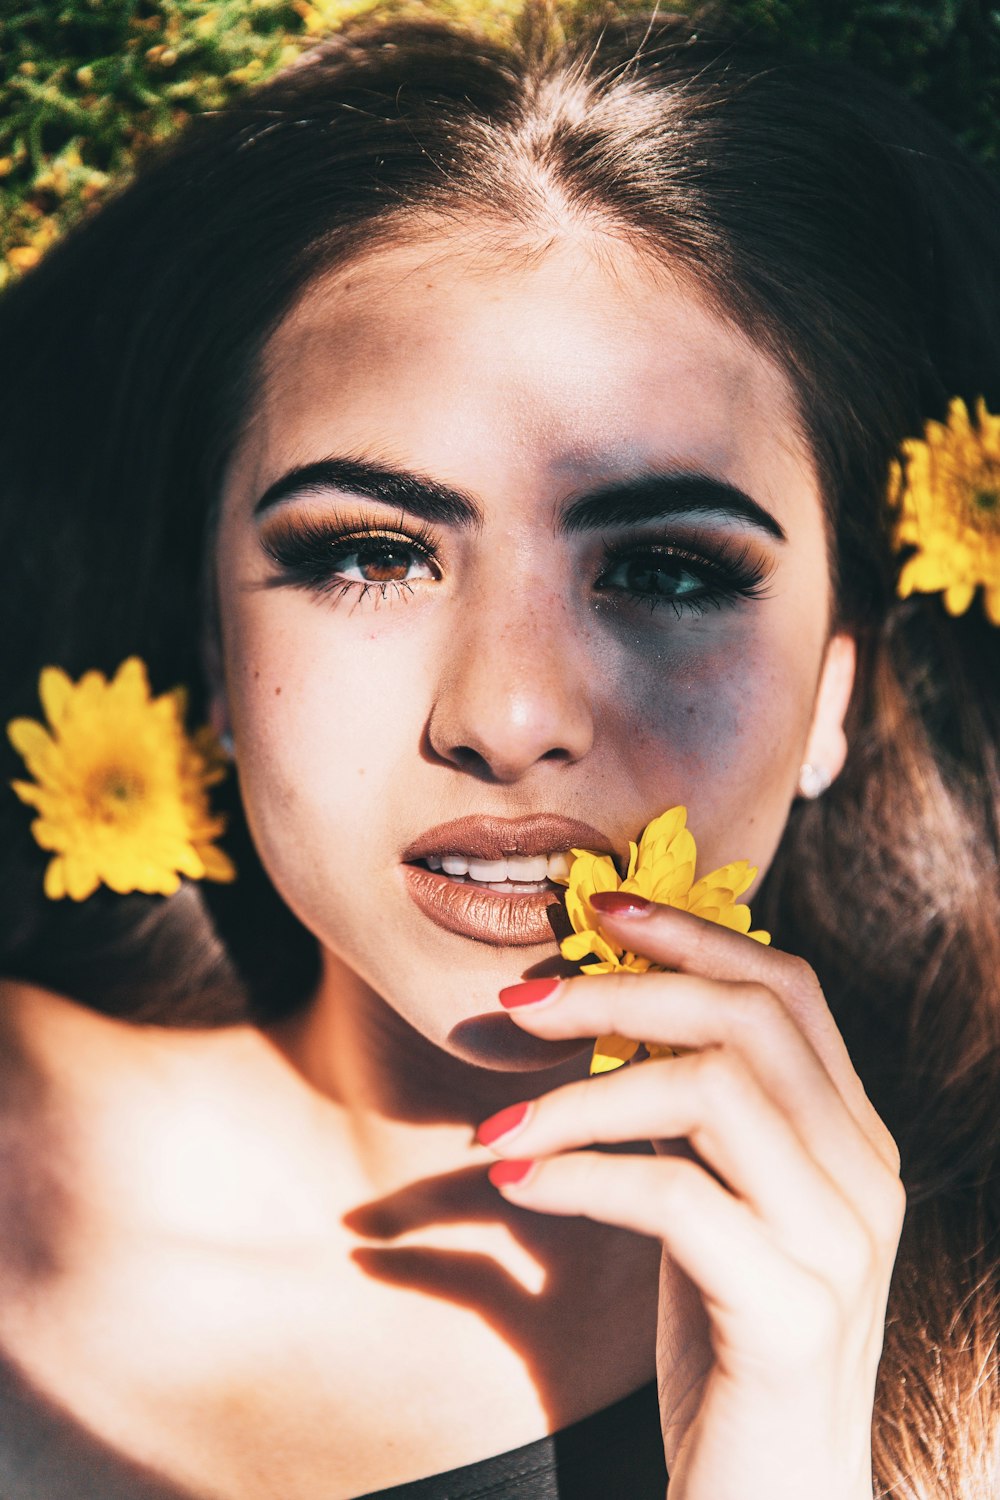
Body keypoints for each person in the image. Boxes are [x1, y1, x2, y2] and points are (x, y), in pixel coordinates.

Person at [0, 5, 998, 1495]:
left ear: (839, 687)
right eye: (370, 554)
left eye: (667, 569)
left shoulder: (965, 1368)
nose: (510, 715)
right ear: (214, 647)